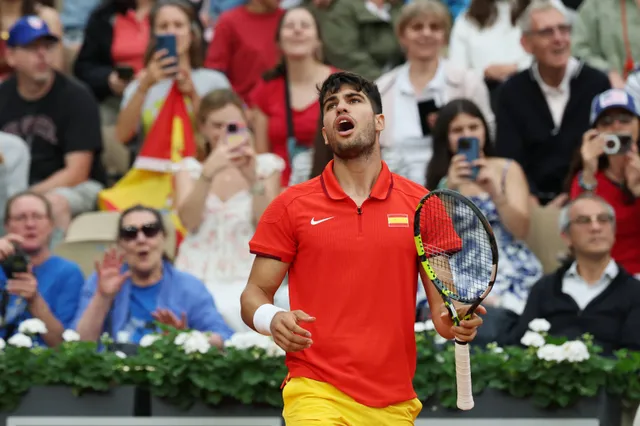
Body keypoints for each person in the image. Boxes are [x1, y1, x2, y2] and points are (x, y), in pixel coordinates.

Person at [240, 71, 485, 424]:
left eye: (354, 100)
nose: (341, 108)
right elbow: (254, 294)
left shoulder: (423, 205)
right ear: (326, 131)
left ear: (380, 121)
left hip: (393, 401)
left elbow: (442, 310)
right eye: (331, 105)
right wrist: (272, 317)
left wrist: (455, 319)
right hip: (315, 391)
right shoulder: (290, 206)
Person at [73, 205, 233, 346]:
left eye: (150, 230)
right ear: (120, 243)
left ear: (164, 237)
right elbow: (79, 343)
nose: (141, 239)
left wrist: (186, 338)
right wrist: (102, 297)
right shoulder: (100, 281)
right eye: (130, 233)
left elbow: (224, 338)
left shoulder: (189, 287)